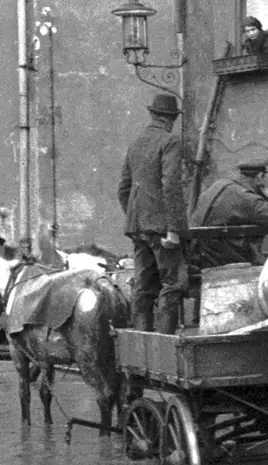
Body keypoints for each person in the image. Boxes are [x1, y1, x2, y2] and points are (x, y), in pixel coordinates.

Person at [118, 92, 187, 334]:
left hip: (137, 226)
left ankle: (141, 344)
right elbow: (171, 186)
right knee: (174, 283)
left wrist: (137, 215)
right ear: (170, 119)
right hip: (161, 228)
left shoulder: (135, 143)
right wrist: (174, 229)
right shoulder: (170, 141)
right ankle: (164, 347)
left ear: (152, 115)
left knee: (143, 286)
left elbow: (123, 188)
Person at [190, 157, 268, 265]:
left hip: (200, 254)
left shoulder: (218, 185)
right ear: (259, 176)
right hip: (221, 260)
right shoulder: (246, 198)